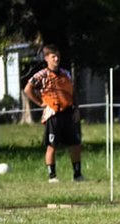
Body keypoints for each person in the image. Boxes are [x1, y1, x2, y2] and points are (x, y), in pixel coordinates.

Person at [22, 45, 84, 183]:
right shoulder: (41, 75)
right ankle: (52, 176)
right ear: (46, 58)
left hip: (68, 113)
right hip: (53, 114)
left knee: (75, 144)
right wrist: (40, 102)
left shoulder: (66, 73)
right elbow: (27, 89)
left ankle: (77, 174)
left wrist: (76, 109)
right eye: (53, 57)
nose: (56, 59)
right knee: (52, 146)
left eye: (58, 56)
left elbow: (73, 92)